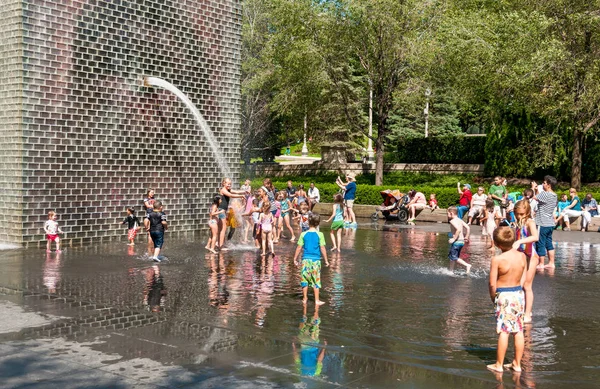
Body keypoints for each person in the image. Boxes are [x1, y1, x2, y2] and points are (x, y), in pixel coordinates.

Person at [487, 227, 527, 373]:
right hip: (518, 293)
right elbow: (524, 275)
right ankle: (517, 364)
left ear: (497, 244)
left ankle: (499, 364)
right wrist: (519, 289)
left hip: (504, 295)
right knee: (518, 330)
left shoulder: (497, 259)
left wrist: (494, 297)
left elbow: (492, 283)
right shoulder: (522, 256)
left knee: (504, 331)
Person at [293, 213, 330, 305]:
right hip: (316, 261)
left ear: (308, 222)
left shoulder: (303, 234)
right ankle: (317, 300)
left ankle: (305, 298)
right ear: (318, 223)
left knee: (304, 279)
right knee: (316, 279)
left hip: (305, 260)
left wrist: (295, 258)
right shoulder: (320, 234)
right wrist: (326, 260)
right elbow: (322, 248)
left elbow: (299, 247)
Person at [512, 200, 539, 324]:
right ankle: (522, 309)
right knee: (519, 284)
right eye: (517, 214)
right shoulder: (517, 222)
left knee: (527, 286)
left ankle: (528, 314)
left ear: (527, 212)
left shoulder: (529, 222)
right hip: (521, 256)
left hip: (531, 256)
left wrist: (520, 242)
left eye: (522, 214)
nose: (519, 216)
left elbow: (535, 237)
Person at [531, 176, 558, 269]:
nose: (543, 184)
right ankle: (551, 263)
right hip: (550, 223)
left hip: (542, 222)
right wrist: (537, 190)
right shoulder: (554, 195)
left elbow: (534, 197)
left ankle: (541, 263)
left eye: (544, 183)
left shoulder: (545, 194)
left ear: (549, 185)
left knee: (540, 243)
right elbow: (540, 199)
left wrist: (533, 188)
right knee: (549, 243)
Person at [218, 178, 246, 251]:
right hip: (221, 210)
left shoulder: (228, 189)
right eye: (228, 183)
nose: (229, 185)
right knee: (223, 228)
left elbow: (236, 191)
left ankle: (220, 244)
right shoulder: (223, 190)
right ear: (223, 183)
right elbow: (231, 195)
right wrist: (241, 196)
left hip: (222, 210)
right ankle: (221, 246)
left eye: (230, 184)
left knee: (222, 228)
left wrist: (244, 191)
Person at [447, 206, 472, 273]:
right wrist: (466, 236)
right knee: (452, 256)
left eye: (448, 213)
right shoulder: (460, 220)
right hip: (461, 242)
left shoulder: (452, 221)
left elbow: (458, 229)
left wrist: (453, 239)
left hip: (456, 242)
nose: (447, 215)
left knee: (454, 257)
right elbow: (468, 228)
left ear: (451, 213)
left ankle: (467, 265)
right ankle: (451, 270)